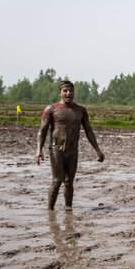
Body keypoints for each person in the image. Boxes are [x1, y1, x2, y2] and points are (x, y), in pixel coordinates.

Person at [36, 80, 105, 210]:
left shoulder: (80, 110)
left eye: (71, 90)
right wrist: (38, 150)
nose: (68, 93)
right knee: (57, 181)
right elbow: (42, 130)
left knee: (69, 182)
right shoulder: (51, 109)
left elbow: (89, 131)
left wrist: (97, 150)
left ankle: (68, 209)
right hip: (56, 149)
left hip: (73, 150)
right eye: (65, 91)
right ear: (60, 92)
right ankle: (50, 211)